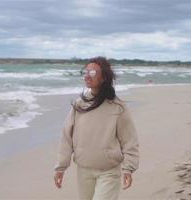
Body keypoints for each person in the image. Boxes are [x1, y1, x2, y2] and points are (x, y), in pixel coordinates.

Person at [53, 57, 139, 200]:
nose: (87, 75)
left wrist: (128, 168)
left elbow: (129, 140)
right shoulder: (79, 105)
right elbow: (67, 137)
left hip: (109, 171)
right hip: (84, 170)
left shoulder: (118, 107)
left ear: (104, 77)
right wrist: (61, 167)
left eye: (92, 72)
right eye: (86, 72)